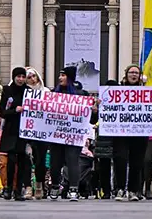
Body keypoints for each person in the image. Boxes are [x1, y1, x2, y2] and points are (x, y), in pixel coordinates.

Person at [48, 66, 96, 202]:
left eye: (63, 75)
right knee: (55, 162)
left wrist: (94, 111)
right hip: (56, 134)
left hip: (74, 135)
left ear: (69, 77)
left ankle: (73, 188)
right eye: (60, 75)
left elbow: (91, 119)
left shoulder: (82, 95)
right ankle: (56, 185)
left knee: (73, 160)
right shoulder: (52, 94)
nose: (60, 78)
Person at [113, 64, 150, 201]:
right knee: (120, 159)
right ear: (126, 74)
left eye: (136, 73)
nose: (133, 75)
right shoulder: (117, 90)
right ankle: (121, 189)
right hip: (120, 132)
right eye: (131, 72)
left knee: (137, 162)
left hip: (140, 132)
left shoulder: (146, 92)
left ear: (140, 76)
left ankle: (134, 190)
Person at [0, 67, 28, 201]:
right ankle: (8, 188)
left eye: (23, 76)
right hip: (10, 130)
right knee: (10, 161)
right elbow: (2, 112)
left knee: (22, 161)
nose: (21, 79)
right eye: (18, 76)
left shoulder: (29, 92)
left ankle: (18, 190)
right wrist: (15, 110)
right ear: (14, 77)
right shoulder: (7, 91)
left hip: (25, 130)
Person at [24, 67, 50, 200]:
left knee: (40, 160)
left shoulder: (46, 92)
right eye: (29, 77)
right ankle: (28, 187)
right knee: (26, 159)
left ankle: (39, 185)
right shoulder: (23, 93)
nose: (32, 79)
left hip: (42, 132)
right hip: (27, 131)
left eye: (34, 76)